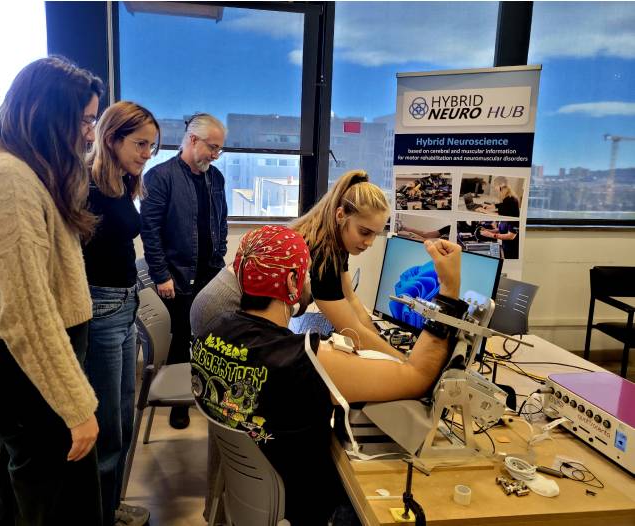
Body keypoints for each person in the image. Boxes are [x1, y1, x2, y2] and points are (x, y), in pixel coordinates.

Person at [191, 225, 462, 525]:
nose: (309, 280)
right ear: (292, 282)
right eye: (305, 274)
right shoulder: (304, 359)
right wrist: (449, 290)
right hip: (304, 505)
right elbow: (418, 376)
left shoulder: (210, 331)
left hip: (251, 498)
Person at [0, 56, 104, 525]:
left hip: (26, 373)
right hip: (29, 377)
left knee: (20, 500)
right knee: (52, 508)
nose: (90, 134)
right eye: (85, 120)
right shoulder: (6, 178)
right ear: (48, 113)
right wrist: (76, 407)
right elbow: (27, 312)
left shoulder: (9, 166)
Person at [83, 101, 159, 526]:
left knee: (124, 418)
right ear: (111, 138)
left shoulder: (122, 182)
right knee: (106, 426)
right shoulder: (85, 184)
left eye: (151, 146)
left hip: (125, 304)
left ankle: (110, 506)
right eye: (140, 144)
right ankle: (99, 514)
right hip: (101, 309)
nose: (147, 153)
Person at [141, 112, 228, 429]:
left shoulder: (215, 178)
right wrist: (161, 275)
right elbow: (149, 231)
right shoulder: (160, 176)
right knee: (182, 339)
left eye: (219, 149)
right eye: (212, 147)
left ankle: (210, 396)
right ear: (192, 140)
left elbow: (221, 220)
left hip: (211, 272)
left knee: (212, 338)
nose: (215, 155)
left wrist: (221, 252)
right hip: (176, 276)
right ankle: (180, 404)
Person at [291, 169, 401, 357]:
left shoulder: (335, 242)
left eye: (376, 234)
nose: (370, 242)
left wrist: (377, 337)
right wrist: (407, 364)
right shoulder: (321, 252)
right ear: (340, 215)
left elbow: (350, 298)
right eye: (365, 232)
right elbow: (352, 331)